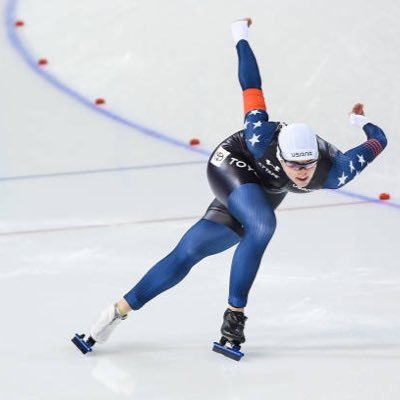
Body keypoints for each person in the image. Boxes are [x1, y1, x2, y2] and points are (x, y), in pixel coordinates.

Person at [72, 18, 387, 358]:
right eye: (293, 165)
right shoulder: (258, 136)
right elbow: (251, 84)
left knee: (190, 251)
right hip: (232, 163)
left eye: (307, 167)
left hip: (264, 187)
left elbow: (379, 140)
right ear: (279, 153)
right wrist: (241, 35)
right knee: (263, 224)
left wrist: (360, 121)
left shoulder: (338, 171)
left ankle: (114, 313)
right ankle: (234, 319)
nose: (300, 173)